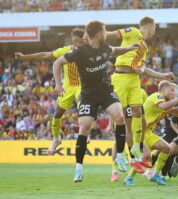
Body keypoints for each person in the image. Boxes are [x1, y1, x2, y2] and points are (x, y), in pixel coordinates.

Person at [53, 20, 140, 182]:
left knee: (120, 118)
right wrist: (58, 84)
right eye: (105, 30)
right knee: (84, 128)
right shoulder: (80, 51)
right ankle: (79, 167)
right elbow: (57, 62)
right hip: (88, 95)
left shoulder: (105, 48)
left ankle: (120, 156)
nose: (107, 33)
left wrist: (128, 49)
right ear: (99, 33)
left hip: (106, 92)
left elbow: (115, 50)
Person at [107, 16, 176, 170]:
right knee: (123, 117)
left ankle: (136, 152)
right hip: (121, 78)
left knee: (139, 114)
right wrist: (96, 36)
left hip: (134, 80)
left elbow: (144, 69)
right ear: (150, 26)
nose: (154, 31)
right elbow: (109, 34)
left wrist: (162, 76)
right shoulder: (132, 31)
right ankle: (120, 156)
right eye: (155, 28)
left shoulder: (144, 46)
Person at [15, 28, 85, 155]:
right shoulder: (65, 51)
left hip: (83, 85)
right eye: (75, 43)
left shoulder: (88, 51)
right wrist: (25, 57)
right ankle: (56, 139)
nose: (77, 45)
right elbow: (45, 55)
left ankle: (85, 134)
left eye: (80, 43)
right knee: (57, 114)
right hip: (68, 87)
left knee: (83, 107)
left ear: (84, 41)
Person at [123, 80, 178, 186]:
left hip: (148, 133)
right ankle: (129, 178)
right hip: (138, 132)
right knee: (145, 155)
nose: (174, 93)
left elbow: (177, 113)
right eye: (172, 90)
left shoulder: (165, 103)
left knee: (167, 148)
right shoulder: (157, 96)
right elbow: (163, 106)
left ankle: (155, 175)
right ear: (163, 90)